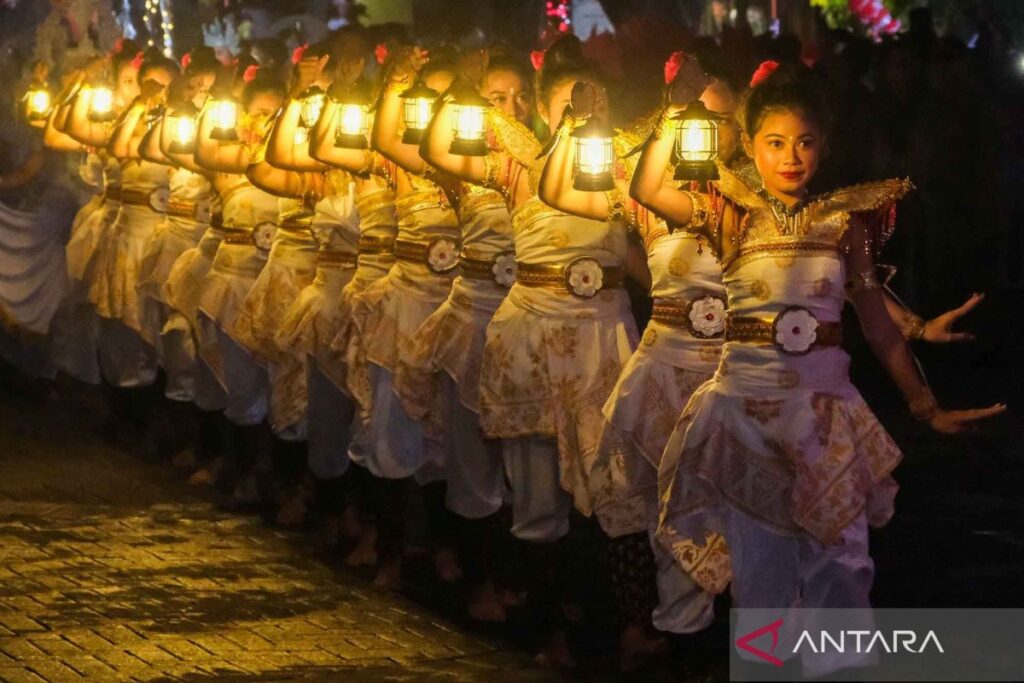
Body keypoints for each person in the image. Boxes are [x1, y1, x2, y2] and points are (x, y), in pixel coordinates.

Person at [643, 62, 1004, 676]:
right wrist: (673, 112)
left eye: (804, 142)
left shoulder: (846, 221)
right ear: (751, 147)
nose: (791, 158)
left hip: (824, 419)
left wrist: (926, 406)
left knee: (841, 564)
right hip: (745, 419)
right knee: (763, 581)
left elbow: (875, 321)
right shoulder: (728, 215)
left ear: (824, 146)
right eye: (775, 143)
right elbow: (650, 190)